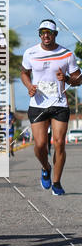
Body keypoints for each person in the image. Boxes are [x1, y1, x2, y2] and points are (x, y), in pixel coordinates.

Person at [20, 20, 81, 195]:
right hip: (38, 105)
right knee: (40, 145)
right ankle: (45, 168)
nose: (46, 35)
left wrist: (67, 79)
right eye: (42, 32)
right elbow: (24, 73)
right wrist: (29, 86)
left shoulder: (66, 54)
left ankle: (57, 182)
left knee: (60, 143)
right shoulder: (30, 53)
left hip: (59, 104)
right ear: (39, 34)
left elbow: (79, 79)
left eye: (49, 32)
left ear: (55, 34)